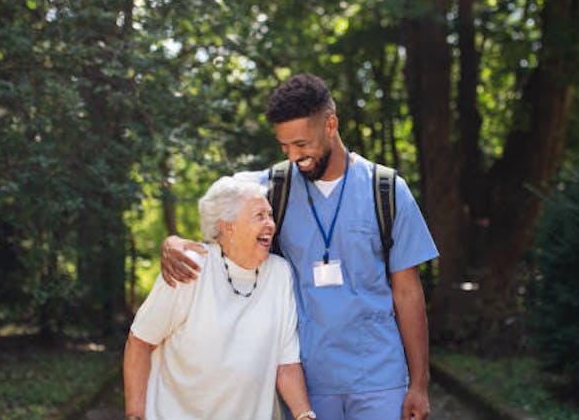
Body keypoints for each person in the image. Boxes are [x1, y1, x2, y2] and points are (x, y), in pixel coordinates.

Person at [161, 73, 439, 420]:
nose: (294, 156)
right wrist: (173, 242)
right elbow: (218, 211)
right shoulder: (273, 188)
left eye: (302, 144)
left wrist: (420, 384)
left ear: (331, 125)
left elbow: (408, 293)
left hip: (379, 378)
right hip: (304, 379)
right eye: (285, 146)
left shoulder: (386, 191)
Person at [123, 176, 317, 420]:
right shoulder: (189, 268)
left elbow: (286, 363)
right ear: (228, 226)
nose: (271, 224)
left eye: (270, 215)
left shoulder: (279, 273)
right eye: (260, 216)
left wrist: (304, 415)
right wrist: (134, 415)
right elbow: (140, 341)